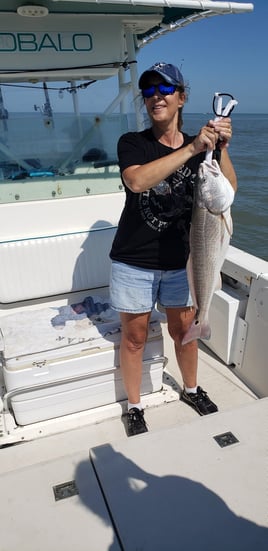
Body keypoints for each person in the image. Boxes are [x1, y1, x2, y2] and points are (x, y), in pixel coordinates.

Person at [109, 62, 237, 436]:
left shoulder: (203, 149)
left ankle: (192, 389)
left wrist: (221, 147)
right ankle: (134, 406)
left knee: (185, 329)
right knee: (134, 337)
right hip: (134, 259)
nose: (156, 98)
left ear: (182, 98)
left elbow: (227, 191)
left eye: (164, 90)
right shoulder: (133, 143)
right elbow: (136, 181)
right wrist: (194, 147)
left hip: (185, 259)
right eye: (148, 92)